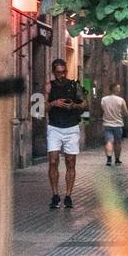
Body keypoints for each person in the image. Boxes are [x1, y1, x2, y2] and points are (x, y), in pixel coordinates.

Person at [46, 58, 85, 210]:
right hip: (54, 127)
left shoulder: (75, 85)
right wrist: (53, 103)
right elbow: (40, 107)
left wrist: (73, 105)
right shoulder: (49, 86)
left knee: (70, 161)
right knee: (53, 161)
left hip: (71, 127)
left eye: (64, 72)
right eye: (58, 73)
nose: (62, 75)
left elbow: (84, 104)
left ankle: (68, 196)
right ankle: (55, 195)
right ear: (53, 72)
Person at [100, 83, 128, 167]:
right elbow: (126, 112)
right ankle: (117, 159)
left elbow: (102, 109)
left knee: (109, 141)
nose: (119, 89)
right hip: (118, 124)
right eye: (118, 88)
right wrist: (121, 114)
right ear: (115, 89)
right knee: (118, 143)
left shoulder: (104, 99)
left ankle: (109, 159)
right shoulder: (121, 100)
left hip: (107, 124)